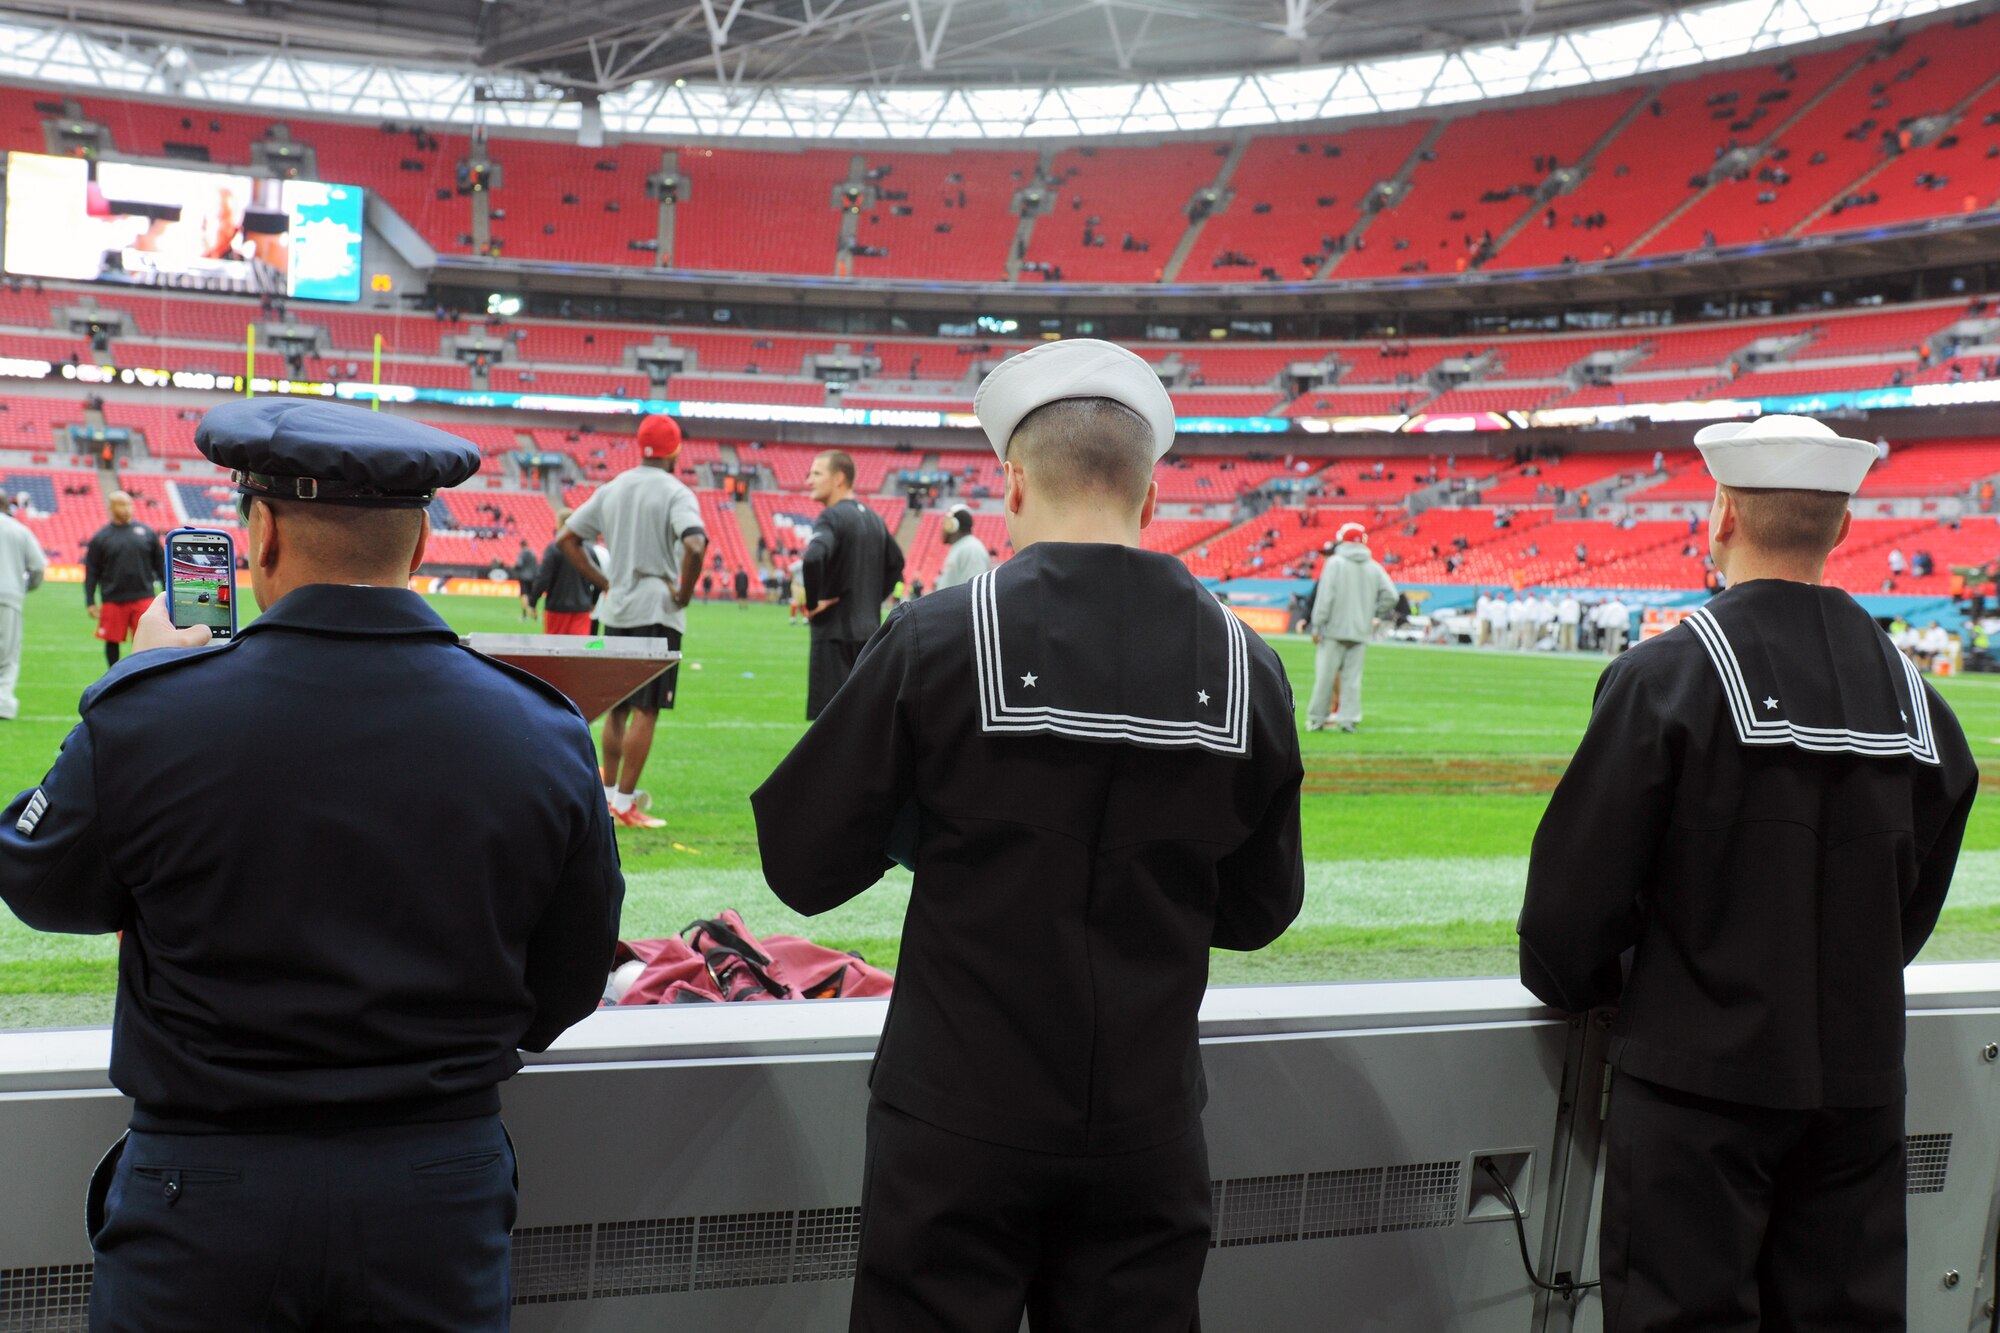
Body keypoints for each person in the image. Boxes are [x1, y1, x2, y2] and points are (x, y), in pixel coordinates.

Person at [0, 398, 623, 1332]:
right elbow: (570, 982)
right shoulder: (542, 728)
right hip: (437, 1190)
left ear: (259, 531)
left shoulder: (152, 714)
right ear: (419, 546)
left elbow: (40, 882)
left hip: (205, 1193)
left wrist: (126, 685)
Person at [751, 339, 1303, 1332]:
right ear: (1147, 493)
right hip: (1148, 1122)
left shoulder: (936, 636)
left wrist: (930, 825)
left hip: (956, 1112)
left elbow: (801, 864)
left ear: (1009, 480)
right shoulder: (1246, 662)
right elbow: (1261, 908)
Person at [1518, 414, 1976, 1333]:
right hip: (1860, 1091)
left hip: (1695, 1096)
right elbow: (1910, 911)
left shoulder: (1665, 676)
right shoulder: (1922, 702)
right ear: (1844, 528)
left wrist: (1609, 989)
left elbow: (1566, 922)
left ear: (1719, 513)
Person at [558, 414, 706, 829]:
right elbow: (694, 542)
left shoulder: (613, 487)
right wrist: (684, 593)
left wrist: (605, 582)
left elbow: (566, 538)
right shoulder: (677, 491)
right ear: (675, 450)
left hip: (618, 606)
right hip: (657, 605)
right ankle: (625, 802)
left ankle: (607, 798)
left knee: (617, 708)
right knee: (647, 708)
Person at [799, 449, 904, 720]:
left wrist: (812, 604)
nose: (809, 480)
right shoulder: (874, 518)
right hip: (869, 635)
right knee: (860, 722)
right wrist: (871, 599)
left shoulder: (831, 517)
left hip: (835, 635)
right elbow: (897, 563)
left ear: (839, 479)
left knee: (830, 726)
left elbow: (812, 558)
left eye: (817, 473)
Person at [1305, 522, 1395, 732]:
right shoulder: (1373, 566)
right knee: (1352, 679)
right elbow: (1391, 596)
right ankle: (1348, 720)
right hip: (1360, 631)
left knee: (1325, 677)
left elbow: (1325, 598)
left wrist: (1317, 625)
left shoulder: (1335, 563)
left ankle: (1317, 719)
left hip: (1333, 631)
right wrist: (1373, 614)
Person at [83, 491, 163, 670]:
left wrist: (168, 594)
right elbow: (92, 571)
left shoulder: (146, 533)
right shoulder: (101, 538)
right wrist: (90, 601)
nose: (127, 509)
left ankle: (144, 674)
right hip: (113, 598)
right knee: (112, 640)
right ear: (111, 508)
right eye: (122, 504)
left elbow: (160, 565)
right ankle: (114, 675)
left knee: (146, 640)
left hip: (143, 596)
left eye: (129, 504)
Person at [0, 494, 46, 719]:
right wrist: (24, 587)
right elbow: (37, 566)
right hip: (8, 595)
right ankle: (3, 704)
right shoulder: (18, 530)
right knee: (7, 654)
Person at [522, 506, 601, 635]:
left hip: (556, 610)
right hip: (581, 609)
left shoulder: (553, 549)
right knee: (578, 651)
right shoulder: (589, 549)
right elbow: (598, 579)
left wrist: (533, 602)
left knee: (554, 650)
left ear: (559, 524)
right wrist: (592, 602)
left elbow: (543, 579)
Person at [933, 504, 990, 590]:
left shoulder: (971, 548)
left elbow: (973, 591)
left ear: (952, 524)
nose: (942, 528)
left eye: (945, 523)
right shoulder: (962, 547)